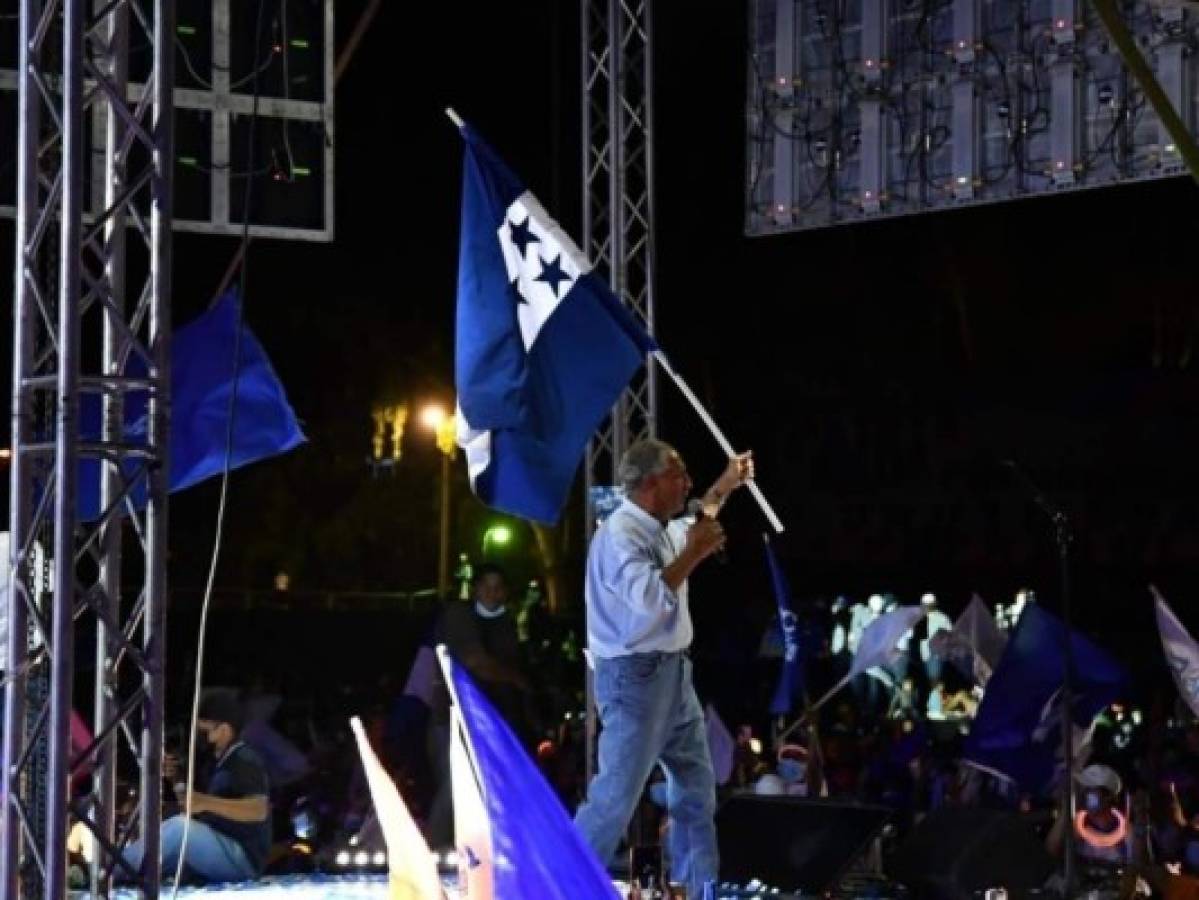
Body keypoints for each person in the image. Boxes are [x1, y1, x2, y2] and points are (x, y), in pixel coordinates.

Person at [573, 438, 753, 898]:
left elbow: (698, 518)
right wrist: (695, 553)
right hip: (635, 679)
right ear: (652, 484)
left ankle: (699, 888)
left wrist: (727, 483)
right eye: (680, 475)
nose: (688, 484)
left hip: (673, 673)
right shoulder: (621, 536)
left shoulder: (657, 526)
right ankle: (564, 882)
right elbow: (653, 601)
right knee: (616, 796)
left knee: (695, 790)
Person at [425, 562, 529, 847]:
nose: (493, 594)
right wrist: (517, 680)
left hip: (491, 721)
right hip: (453, 718)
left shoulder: (506, 624)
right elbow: (476, 662)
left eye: (498, 588)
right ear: (475, 589)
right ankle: (438, 851)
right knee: (455, 787)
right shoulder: (459, 615)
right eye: (487, 587)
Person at [123, 688, 271, 884]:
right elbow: (193, 805)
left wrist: (206, 802)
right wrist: (175, 778)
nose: (199, 736)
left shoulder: (244, 758)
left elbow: (258, 810)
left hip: (243, 858)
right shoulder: (216, 764)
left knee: (180, 829)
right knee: (168, 841)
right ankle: (121, 872)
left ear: (224, 730)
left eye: (204, 730)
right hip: (222, 847)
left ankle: (110, 868)